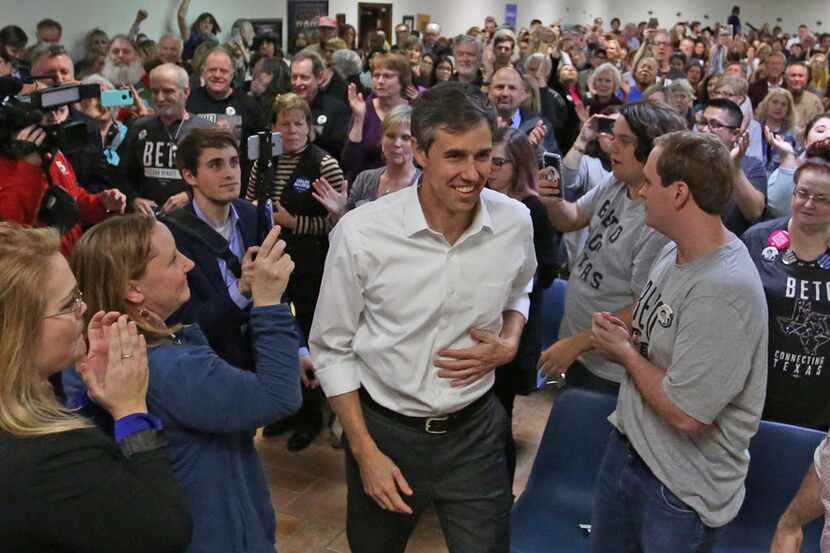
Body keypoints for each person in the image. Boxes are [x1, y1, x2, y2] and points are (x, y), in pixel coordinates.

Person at [310, 80, 536, 553]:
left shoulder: (514, 222)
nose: (473, 174)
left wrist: (511, 338)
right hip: (386, 435)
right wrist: (364, 450)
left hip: (476, 434)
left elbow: (522, 287)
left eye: (483, 157)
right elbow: (331, 348)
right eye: (455, 156)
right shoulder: (362, 233)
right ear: (419, 151)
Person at [68, 214, 301, 553]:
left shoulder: (111, 354)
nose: (189, 264)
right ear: (133, 289)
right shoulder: (169, 367)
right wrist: (268, 302)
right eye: (174, 259)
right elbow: (278, 396)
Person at [589, 130, 767, 553]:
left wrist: (624, 352)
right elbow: (658, 340)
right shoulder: (675, 250)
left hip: (677, 490)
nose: (641, 190)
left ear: (680, 193)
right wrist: (626, 337)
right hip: (631, 449)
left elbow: (689, 415)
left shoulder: (724, 290)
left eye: (650, 181)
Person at [0, 223, 192, 553]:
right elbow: (165, 531)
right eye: (67, 305)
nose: (83, 308)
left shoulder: (40, 400)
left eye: (78, 295)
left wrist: (95, 403)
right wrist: (131, 411)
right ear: (17, 332)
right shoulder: (47, 458)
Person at [537, 102, 686, 393]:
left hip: (608, 367)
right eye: (613, 136)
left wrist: (577, 343)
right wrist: (553, 202)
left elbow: (643, 307)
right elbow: (572, 218)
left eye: (625, 141)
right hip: (579, 343)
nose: (611, 147)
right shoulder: (616, 182)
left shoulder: (656, 222)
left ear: (653, 150)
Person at [246, 93, 345, 451]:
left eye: (298, 123)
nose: (291, 130)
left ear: (309, 126)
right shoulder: (264, 162)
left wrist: (293, 222)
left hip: (311, 267)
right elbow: (250, 202)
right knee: (279, 335)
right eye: (283, 123)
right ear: (272, 128)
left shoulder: (324, 164)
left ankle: (309, 417)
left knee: (307, 336)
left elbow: (337, 223)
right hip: (272, 263)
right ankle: (284, 409)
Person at [743, 139, 830, 431]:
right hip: (756, 394)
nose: (808, 204)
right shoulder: (757, 240)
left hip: (821, 406)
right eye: (802, 193)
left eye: (822, 198)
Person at [488, 127, 559, 481]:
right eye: (486, 159)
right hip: (482, 321)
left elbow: (547, 271)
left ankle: (499, 492)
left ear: (518, 166)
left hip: (515, 323)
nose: (489, 169)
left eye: (498, 162)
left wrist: (505, 277)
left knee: (499, 416)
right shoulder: (480, 200)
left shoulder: (532, 209)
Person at [0, 109, 125, 256]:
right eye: (45, 111)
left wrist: (100, 203)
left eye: (59, 109)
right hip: (31, 266)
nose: (54, 117)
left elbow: (72, 196)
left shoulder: (53, 153)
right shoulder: (9, 164)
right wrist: (28, 167)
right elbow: (11, 228)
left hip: (68, 260)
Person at [120, 63, 214, 216]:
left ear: (186, 92)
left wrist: (190, 196)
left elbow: (217, 176)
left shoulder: (205, 130)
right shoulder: (138, 127)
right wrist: (133, 199)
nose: (160, 98)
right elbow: (122, 175)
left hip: (191, 219)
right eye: (155, 91)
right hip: (147, 220)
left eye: (168, 91)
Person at [312, 104, 420, 220]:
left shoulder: (424, 185)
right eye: (391, 136)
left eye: (405, 138)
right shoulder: (364, 179)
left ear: (417, 144)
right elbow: (346, 230)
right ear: (381, 139)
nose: (397, 144)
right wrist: (338, 212)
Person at [186, 47, 266, 182]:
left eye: (223, 71)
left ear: (232, 74)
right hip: (199, 183)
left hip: (239, 184)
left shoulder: (249, 106)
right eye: (212, 70)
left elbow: (261, 152)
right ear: (203, 72)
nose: (217, 75)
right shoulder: (189, 101)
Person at [697, 98, 768, 235]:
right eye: (703, 123)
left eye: (715, 125)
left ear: (735, 134)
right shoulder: (686, 160)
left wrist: (734, 167)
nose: (705, 130)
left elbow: (754, 212)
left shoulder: (751, 166)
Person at [341, 53, 410, 182]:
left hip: (402, 187)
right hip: (365, 187)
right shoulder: (363, 108)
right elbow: (349, 163)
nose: (380, 81)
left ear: (402, 80)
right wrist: (359, 118)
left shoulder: (412, 112)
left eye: (387, 76)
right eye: (376, 76)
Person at [767, 112, 830, 217]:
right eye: (820, 130)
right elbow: (778, 209)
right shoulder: (789, 165)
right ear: (805, 141)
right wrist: (788, 156)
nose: (828, 136)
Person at [291, 50, 351, 161]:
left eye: (304, 77)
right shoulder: (285, 109)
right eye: (294, 77)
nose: (298, 83)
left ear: (319, 78)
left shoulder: (336, 109)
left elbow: (340, 152)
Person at [755, 88, 800, 173]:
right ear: (766, 104)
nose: (778, 107)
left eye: (783, 104)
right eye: (775, 102)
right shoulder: (755, 129)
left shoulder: (792, 135)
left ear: (788, 109)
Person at [787, 63, 825, 137]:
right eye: (793, 75)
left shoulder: (814, 101)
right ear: (786, 78)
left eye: (800, 76)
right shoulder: (777, 97)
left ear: (807, 79)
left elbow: (821, 127)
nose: (796, 79)